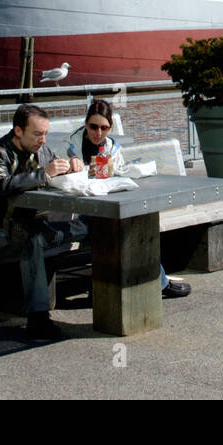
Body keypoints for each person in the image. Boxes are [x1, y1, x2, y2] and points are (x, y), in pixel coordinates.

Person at [57, 99, 191, 301]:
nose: (98, 133)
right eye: (93, 127)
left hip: (108, 205)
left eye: (104, 128)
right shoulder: (71, 145)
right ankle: (153, 284)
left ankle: (146, 283)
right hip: (81, 210)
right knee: (121, 229)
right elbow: (63, 179)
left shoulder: (112, 147)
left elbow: (120, 176)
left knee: (134, 224)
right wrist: (80, 168)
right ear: (85, 124)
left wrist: (113, 173)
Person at [0, 104, 83, 339]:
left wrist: (71, 166)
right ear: (18, 131)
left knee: (94, 224)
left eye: (45, 134)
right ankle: (38, 319)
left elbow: (55, 172)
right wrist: (44, 174)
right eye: (37, 134)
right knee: (32, 240)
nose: (43, 140)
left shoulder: (42, 151)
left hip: (34, 225)